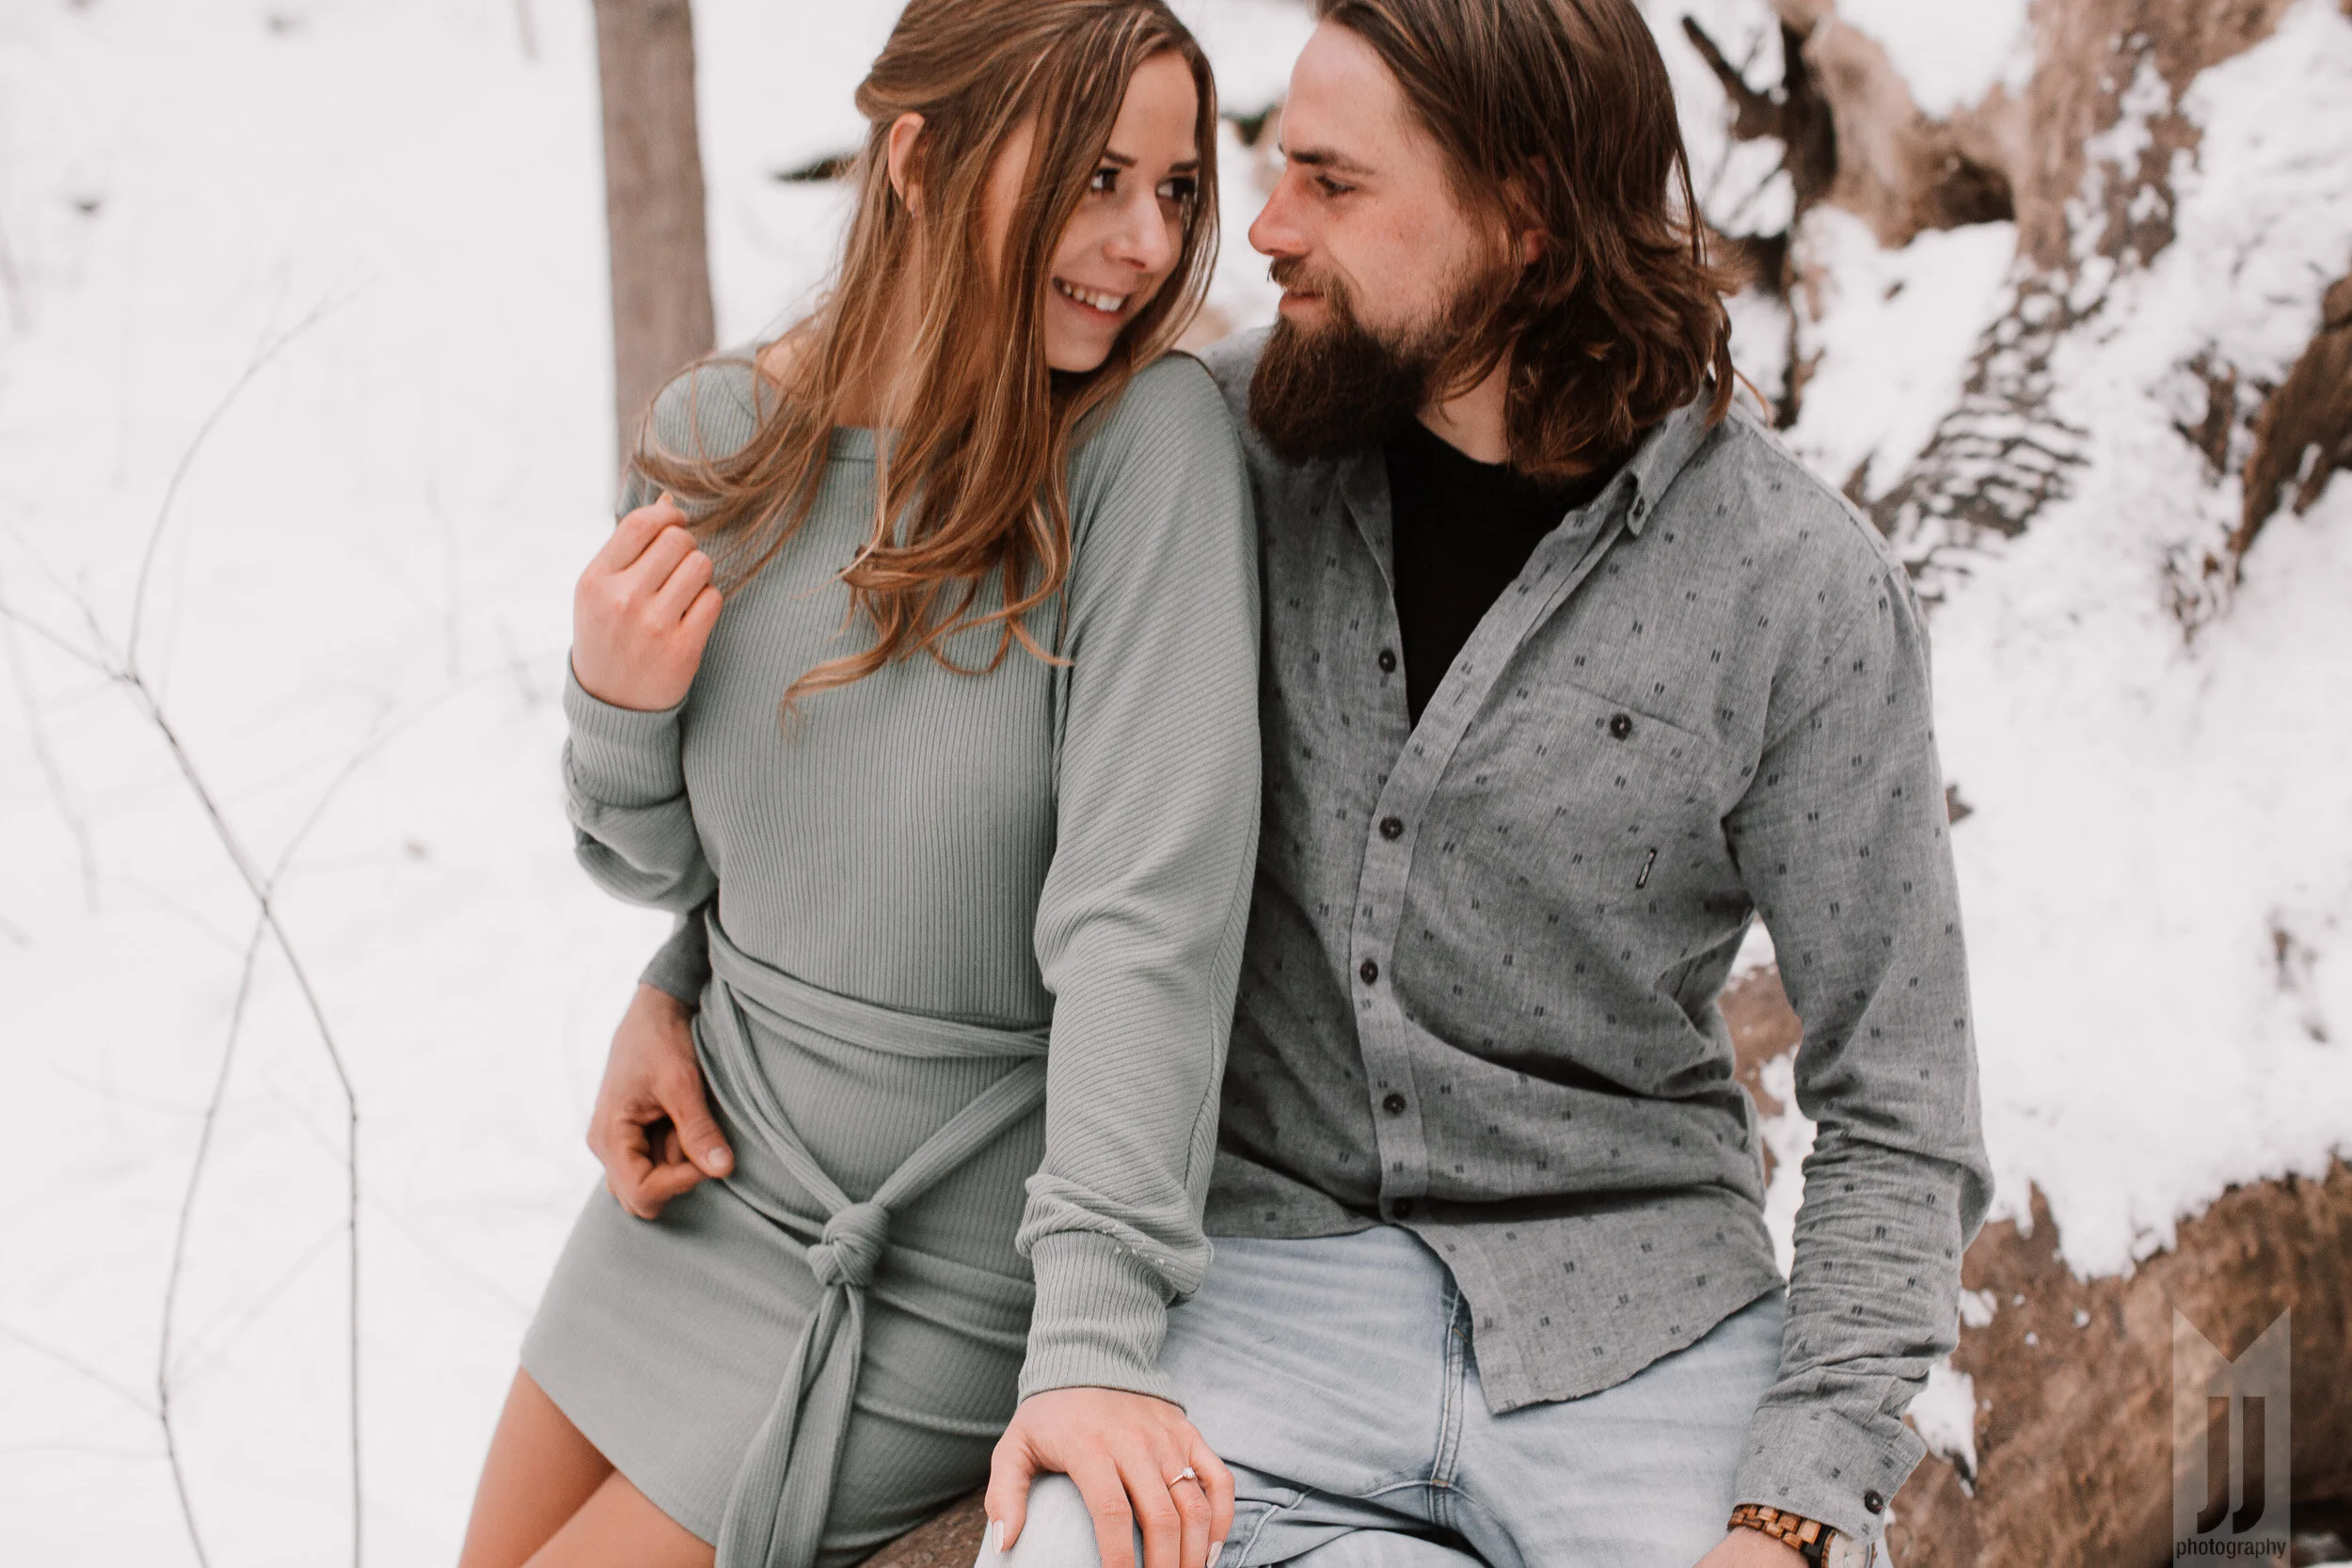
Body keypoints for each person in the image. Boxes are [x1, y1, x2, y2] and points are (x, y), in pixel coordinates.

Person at [616, 2, 1992, 1567]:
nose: (1263, 229)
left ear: (1526, 223)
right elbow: (944, 756)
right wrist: (687, 972)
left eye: (1331, 184)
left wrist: (1791, 1505)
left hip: (1638, 1333)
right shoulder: (1207, 454)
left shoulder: (1798, 589)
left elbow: (1903, 1102)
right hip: (1259, 1301)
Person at [455, 5, 1263, 1567]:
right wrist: (615, 711)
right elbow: (673, 865)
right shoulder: (715, 440)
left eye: (1173, 188)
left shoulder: (1143, 449)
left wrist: (1094, 1337)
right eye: (1097, 177)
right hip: (706, 1181)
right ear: (918, 160)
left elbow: (1148, 923)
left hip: (941, 1254)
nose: (1146, 245)